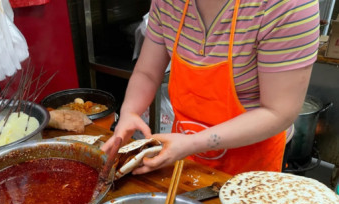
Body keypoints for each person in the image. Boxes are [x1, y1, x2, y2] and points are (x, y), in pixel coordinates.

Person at [102, 0, 320, 176]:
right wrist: (130, 111)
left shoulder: (287, 5)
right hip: (185, 153)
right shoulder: (168, 3)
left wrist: (192, 143)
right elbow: (147, 73)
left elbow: (279, 112)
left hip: (251, 166)